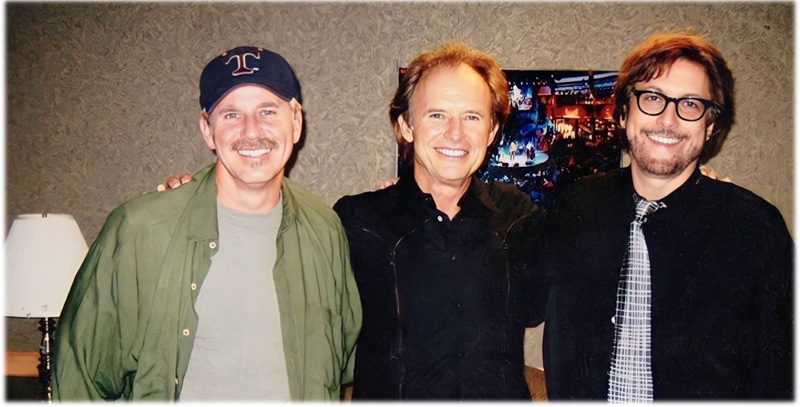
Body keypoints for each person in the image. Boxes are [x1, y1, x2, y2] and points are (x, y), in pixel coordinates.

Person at [52, 46, 362, 401]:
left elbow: (343, 360)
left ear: (296, 122)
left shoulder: (324, 230)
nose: (252, 131)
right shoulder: (141, 231)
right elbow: (80, 378)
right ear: (207, 130)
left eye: (267, 111)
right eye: (231, 114)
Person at [541, 32, 793, 400]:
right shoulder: (576, 206)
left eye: (690, 104)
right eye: (653, 98)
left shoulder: (755, 229)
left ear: (710, 125)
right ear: (624, 113)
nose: (668, 119)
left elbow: (780, 375)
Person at [332, 42, 544, 400]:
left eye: (472, 117)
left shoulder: (517, 214)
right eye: (437, 115)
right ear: (406, 125)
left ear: (492, 131)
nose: (455, 133)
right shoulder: (358, 221)